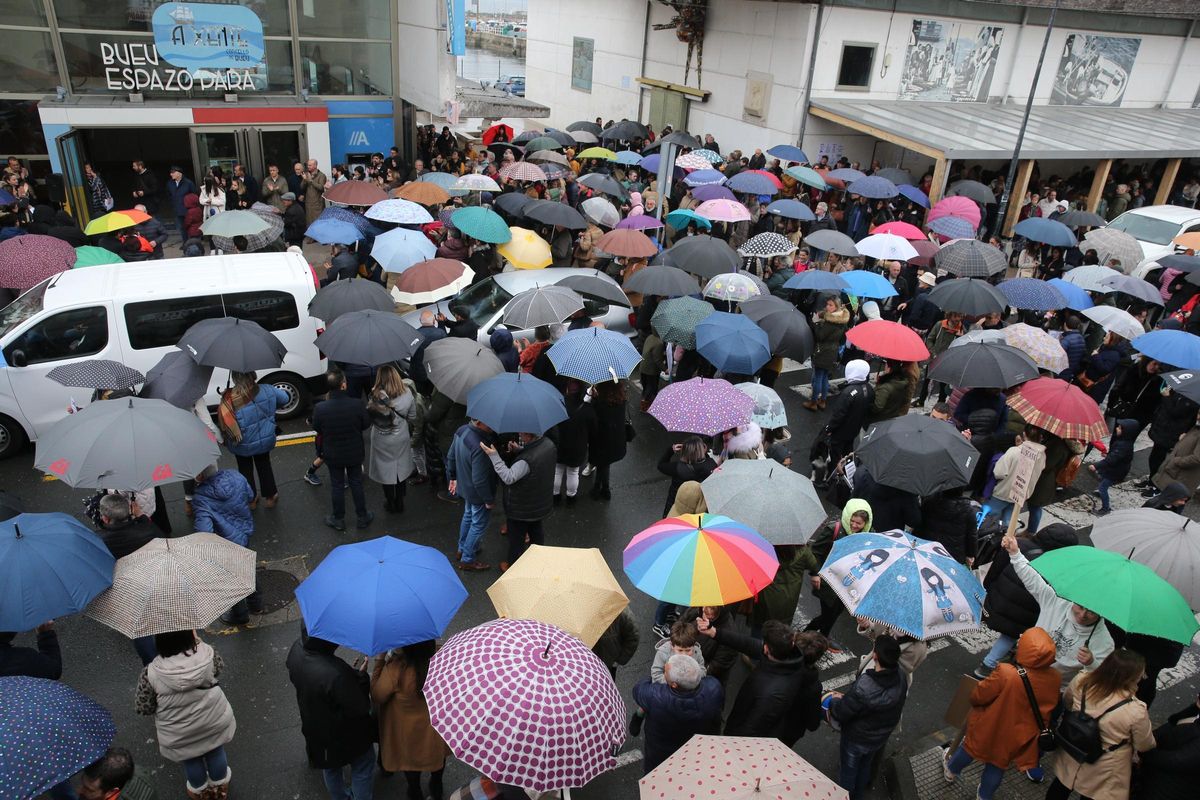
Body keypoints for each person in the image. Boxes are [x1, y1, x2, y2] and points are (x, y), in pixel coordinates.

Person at [942, 627, 1061, 800]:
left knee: (969, 749)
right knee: (998, 765)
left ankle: (951, 771)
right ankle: (984, 796)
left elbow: (979, 696)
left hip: (990, 725)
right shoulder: (1055, 677)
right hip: (1019, 734)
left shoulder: (1007, 673)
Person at [998, 532, 1114, 680]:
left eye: (1091, 612)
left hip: (1054, 688)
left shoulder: (1104, 642)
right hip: (1022, 668)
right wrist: (1015, 554)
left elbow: (1102, 678)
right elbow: (1033, 580)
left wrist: (1091, 663)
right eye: (1080, 607)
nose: (1082, 615)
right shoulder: (1058, 602)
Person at [135, 630, 235, 800]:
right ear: (190, 636)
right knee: (216, 751)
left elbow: (144, 707)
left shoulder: (150, 673)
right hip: (212, 719)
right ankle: (220, 788)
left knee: (191, 759)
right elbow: (218, 669)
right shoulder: (207, 653)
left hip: (179, 731)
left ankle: (200, 791)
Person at [1046, 649, 1155, 800]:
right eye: (1140, 675)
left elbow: (1067, 702)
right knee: (1092, 794)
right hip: (1105, 765)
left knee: (1060, 786)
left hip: (1073, 748)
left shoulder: (1082, 680)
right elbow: (1144, 745)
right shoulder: (1135, 710)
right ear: (1130, 678)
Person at [697, 617, 826, 745]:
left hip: (741, 738)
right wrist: (714, 632)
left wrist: (729, 742)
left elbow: (751, 729)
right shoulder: (787, 656)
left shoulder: (773, 695)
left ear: (767, 650)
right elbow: (747, 644)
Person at [975, 522, 1078, 679]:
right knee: (1010, 635)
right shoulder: (1058, 566)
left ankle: (991, 663)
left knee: (1007, 634)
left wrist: (989, 588)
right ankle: (988, 665)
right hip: (1025, 611)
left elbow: (996, 567)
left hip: (1001, 597)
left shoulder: (1019, 544)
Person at [286, 625, 376, 800]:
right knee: (363, 766)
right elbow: (359, 707)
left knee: (330, 767)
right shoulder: (336, 673)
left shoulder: (296, 649)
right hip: (347, 736)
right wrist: (361, 678)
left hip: (317, 732)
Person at [827, 634, 908, 800]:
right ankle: (858, 795)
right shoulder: (901, 677)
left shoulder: (866, 685)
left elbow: (842, 711)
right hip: (879, 737)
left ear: (875, 656)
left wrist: (834, 701)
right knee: (865, 767)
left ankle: (846, 796)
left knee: (848, 771)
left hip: (857, 738)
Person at [371, 641, 448, 800]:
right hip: (437, 729)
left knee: (411, 765)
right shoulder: (442, 659)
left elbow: (377, 695)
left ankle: (415, 791)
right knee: (437, 759)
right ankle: (436, 786)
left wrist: (380, 661)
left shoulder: (396, 670)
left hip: (408, 733)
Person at [190, 464, 262, 626]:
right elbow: (250, 496)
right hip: (243, 533)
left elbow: (204, 532)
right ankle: (256, 604)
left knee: (231, 579)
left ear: (200, 476)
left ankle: (240, 614)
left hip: (225, 544)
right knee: (247, 568)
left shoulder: (201, 498)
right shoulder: (236, 476)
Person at [631, 654, 724, 774]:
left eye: (665, 671)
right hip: (695, 750)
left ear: (674, 684)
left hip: (660, 751)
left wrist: (652, 677)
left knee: (655, 774)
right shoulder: (714, 688)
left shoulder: (655, 696)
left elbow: (639, 688)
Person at [482, 430, 557, 571]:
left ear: (529, 435)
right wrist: (520, 450)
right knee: (536, 530)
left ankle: (513, 566)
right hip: (539, 502)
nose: (519, 434)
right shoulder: (548, 444)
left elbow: (508, 477)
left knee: (516, 538)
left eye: (522, 433)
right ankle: (539, 557)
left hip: (521, 507)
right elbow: (536, 460)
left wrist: (494, 456)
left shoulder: (525, 460)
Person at [311, 368, 373, 532]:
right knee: (356, 483)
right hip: (354, 451)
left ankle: (338, 519)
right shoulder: (357, 404)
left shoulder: (321, 408)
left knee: (337, 485)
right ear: (343, 385)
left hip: (333, 453)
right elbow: (366, 424)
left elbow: (317, 427)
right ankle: (362, 517)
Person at [217, 371, 288, 510]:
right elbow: (285, 399)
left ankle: (251, 499)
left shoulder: (229, 397)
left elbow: (224, 422)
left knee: (245, 468)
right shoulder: (267, 389)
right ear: (253, 375)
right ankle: (270, 496)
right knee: (264, 465)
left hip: (241, 442)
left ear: (235, 378)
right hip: (264, 439)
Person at [805, 499, 873, 642]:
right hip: (829, 582)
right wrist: (815, 573)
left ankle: (822, 637)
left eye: (859, 523)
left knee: (836, 612)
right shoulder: (833, 529)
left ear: (865, 524)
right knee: (828, 614)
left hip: (849, 584)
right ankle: (807, 634)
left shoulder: (869, 535)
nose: (854, 525)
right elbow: (816, 552)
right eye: (852, 521)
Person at [446, 417, 498, 571]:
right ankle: (468, 559)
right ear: (480, 422)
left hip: (465, 487)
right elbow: (480, 480)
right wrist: (488, 500)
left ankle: (462, 549)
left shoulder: (461, 430)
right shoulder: (480, 445)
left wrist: (453, 477)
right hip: (478, 494)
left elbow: (450, 457)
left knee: (468, 515)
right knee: (478, 524)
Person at [365, 365, 417, 513]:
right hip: (401, 435)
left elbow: (370, 417)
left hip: (381, 439)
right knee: (400, 468)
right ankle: (400, 501)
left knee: (385, 470)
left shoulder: (375, 395)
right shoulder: (407, 393)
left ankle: (390, 501)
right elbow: (413, 417)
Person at [1136, 697, 1200, 799]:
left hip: (1168, 788)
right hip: (1155, 776)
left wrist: (1145, 753)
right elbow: (1173, 720)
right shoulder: (1195, 714)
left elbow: (1177, 760)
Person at [824, 359, 873, 470]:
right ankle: (849, 471)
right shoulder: (869, 389)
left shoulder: (848, 392)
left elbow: (838, 414)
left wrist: (829, 428)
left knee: (835, 453)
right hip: (855, 428)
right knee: (848, 450)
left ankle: (834, 476)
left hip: (841, 430)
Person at [550, 381, 594, 505]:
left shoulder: (560, 403)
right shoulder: (587, 408)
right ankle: (571, 497)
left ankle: (556, 495)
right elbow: (593, 429)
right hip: (577, 446)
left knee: (558, 470)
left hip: (560, 444)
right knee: (573, 472)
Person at [804, 297, 850, 411]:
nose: (827, 307)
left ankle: (813, 402)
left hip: (822, 351)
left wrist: (815, 324)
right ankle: (823, 401)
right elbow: (843, 339)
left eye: (831, 305)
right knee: (824, 377)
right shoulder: (842, 320)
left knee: (818, 376)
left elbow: (820, 336)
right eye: (827, 304)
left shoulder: (830, 321)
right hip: (833, 351)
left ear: (836, 307)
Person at [1088, 418, 1139, 514]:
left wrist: (1096, 466)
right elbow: (1115, 457)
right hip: (1115, 469)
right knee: (1103, 480)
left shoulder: (1123, 445)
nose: (1117, 429)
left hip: (1115, 471)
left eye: (1120, 428)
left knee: (1103, 487)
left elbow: (1111, 459)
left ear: (1126, 432)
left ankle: (1105, 508)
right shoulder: (1124, 442)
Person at [656, 436, 716, 516]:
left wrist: (671, 450)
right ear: (703, 450)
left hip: (677, 507)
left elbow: (661, 465)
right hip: (697, 510)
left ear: (684, 452)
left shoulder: (677, 468)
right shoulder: (711, 465)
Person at [588, 381, 628, 500]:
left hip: (601, 440)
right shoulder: (621, 399)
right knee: (605, 465)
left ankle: (600, 489)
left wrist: (592, 398)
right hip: (616, 439)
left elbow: (592, 419)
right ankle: (604, 489)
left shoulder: (599, 403)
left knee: (602, 464)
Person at [77, 747, 148, 800]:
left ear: (111, 792)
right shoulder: (138, 772)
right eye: (83, 783)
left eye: (89, 790)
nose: (79, 790)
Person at [592, 607, 640, 680]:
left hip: (608, 665)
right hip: (586, 665)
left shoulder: (621, 613)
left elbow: (633, 636)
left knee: (607, 686)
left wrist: (619, 660)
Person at [165, 166, 197, 243]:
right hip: (177, 209)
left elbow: (194, 195)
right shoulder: (170, 183)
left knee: (191, 226)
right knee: (181, 228)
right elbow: (168, 195)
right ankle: (185, 243)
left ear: (179, 173)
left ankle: (193, 242)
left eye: (173, 173)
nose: (171, 174)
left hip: (188, 210)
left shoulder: (188, 183)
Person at [302, 159, 328, 226]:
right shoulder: (307, 174)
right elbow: (302, 188)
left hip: (318, 205)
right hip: (308, 204)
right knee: (309, 224)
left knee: (318, 224)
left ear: (315, 166)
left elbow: (321, 188)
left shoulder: (322, 175)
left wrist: (311, 181)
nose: (308, 166)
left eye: (310, 165)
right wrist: (305, 180)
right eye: (308, 165)